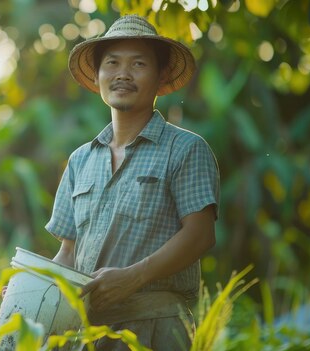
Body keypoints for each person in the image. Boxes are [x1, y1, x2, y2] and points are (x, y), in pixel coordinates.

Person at [45, 14, 220, 350]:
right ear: (97, 77)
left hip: (157, 329)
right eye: (112, 63)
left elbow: (200, 235)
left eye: (138, 64)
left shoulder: (184, 149)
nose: (123, 74)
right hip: (85, 333)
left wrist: (134, 276)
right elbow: (67, 254)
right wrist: (35, 286)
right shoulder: (81, 159)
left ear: (160, 77)